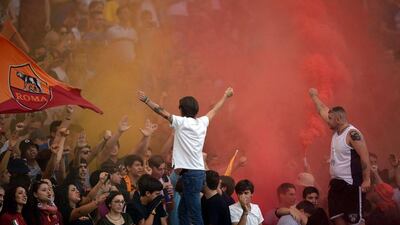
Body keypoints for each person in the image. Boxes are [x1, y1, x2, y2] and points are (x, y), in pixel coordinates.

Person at [137, 87, 234, 225]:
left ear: (182, 109)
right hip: (196, 174)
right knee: (182, 211)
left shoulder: (180, 122)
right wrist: (225, 96)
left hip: (192, 175)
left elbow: (162, 112)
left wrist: (147, 100)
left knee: (195, 214)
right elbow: (215, 110)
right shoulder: (202, 122)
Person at [309, 88, 371, 225]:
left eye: (330, 119)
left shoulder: (352, 134)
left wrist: (367, 179)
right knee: (336, 217)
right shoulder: (337, 129)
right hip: (336, 184)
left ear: (338, 119)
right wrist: (314, 96)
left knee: (354, 221)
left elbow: (365, 157)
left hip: (351, 185)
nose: (327, 121)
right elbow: (323, 110)